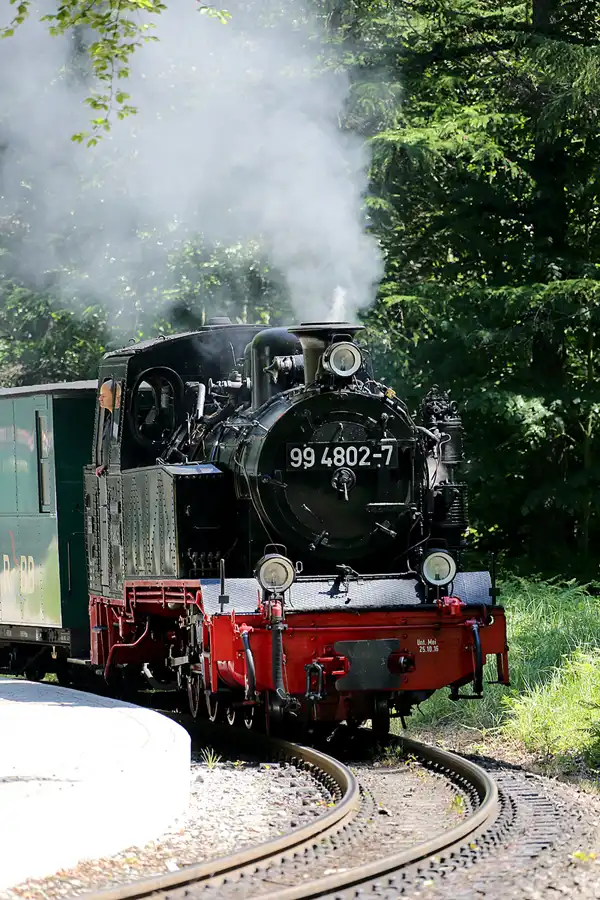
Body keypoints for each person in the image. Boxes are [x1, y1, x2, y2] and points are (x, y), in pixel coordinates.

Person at [95, 379, 120, 476]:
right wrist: (104, 465)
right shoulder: (110, 420)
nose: (100, 398)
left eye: (104, 396)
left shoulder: (122, 422)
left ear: (117, 398)